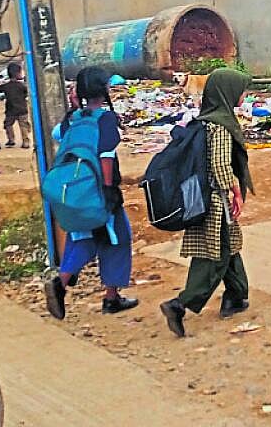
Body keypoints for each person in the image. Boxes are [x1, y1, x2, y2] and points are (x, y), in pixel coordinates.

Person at [160, 68, 255, 338]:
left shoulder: (205, 120)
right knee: (218, 252)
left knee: (229, 244)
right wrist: (235, 192)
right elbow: (221, 164)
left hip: (204, 196)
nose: (244, 95)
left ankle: (237, 295)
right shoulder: (221, 124)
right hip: (217, 199)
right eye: (240, 90)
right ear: (227, 92)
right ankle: (181, 304)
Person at [44, 66, 139, 318]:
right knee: (117, 238)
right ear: (104, 89)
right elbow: (106, 156)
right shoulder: (105, 119)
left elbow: (57, 135)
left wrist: (75, 106)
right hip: (99, 192)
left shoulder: (71, 120)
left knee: (83, 237)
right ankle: (108, 297)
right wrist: (108, 191)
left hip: (75, 192)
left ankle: (62, 283)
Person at [0, 62, 30, 149]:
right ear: (18, 74)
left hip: (10, 110)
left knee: (8, 124)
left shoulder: (6, 86)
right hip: (22, 109)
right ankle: (25, 141)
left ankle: (11, 140)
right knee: (23, 125)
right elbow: (26, 93)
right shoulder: (22, 86)